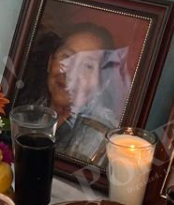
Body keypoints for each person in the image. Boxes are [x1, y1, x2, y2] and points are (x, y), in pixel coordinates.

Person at [21, 22, 131, 161]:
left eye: (87, 66)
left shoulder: (99, 134)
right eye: (66, 57)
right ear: (50, 62)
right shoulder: (31, 105)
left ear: (102, 83)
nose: (71, 73)